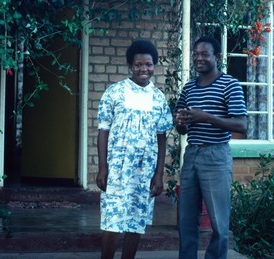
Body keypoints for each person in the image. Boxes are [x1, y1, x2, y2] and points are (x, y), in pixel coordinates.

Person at [96, 39, 173, 259]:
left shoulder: (158, 99)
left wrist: (158, 174)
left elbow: (162, 138)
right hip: (117, 169)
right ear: (131, 66)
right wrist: (103, 168)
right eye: (138, 64)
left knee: (136, 221)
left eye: (148, 65)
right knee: (112, 220)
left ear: (154, 66)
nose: (143, 69)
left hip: (144, 171)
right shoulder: (115, 93)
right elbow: (103, 131)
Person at [175, 36, 247, 259]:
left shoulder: (230, 85)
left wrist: (204, 116)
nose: (199, 58)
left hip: (216, 155)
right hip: (192, 154)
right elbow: (183, 129)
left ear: (216, 57)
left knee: (219, 221)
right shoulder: (188, 88)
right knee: (186, 219)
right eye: (195, 54)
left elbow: (242, 125)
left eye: (204, 54)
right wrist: (180, 122)